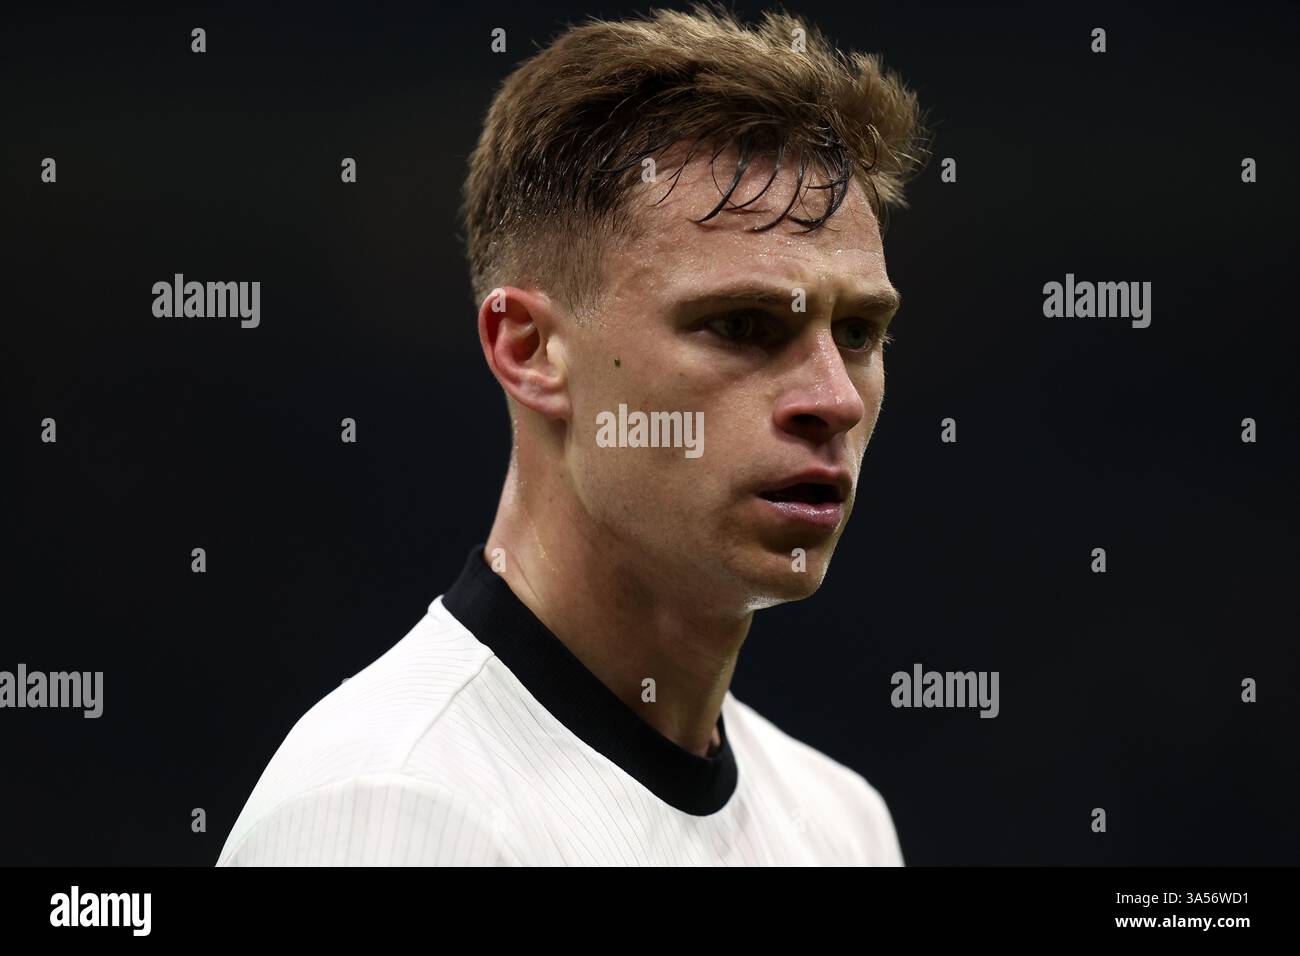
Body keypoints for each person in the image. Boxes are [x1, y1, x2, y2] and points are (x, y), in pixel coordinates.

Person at [218, 3, 930, 866]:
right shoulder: (394, 813)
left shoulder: (843, 825)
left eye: (858, 333)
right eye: (741, 325)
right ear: (529, 350)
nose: (834, 399)